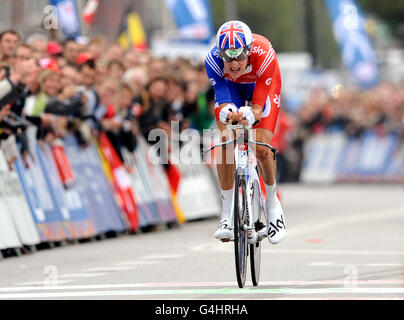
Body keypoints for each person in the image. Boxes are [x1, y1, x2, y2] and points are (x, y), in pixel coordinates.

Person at [205, 20, 286, 244]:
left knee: (261, 149)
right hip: (232, 90)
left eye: (239, 56)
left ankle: (272, 204)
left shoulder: (264, 52)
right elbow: (222, 96)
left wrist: (253, 112)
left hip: (262, 86)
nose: (233, 63)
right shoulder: (212, 60)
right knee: (224, 143)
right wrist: (226, 112)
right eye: (227, 56)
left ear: (249, 50)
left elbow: (259, 106)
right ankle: (226, 215)